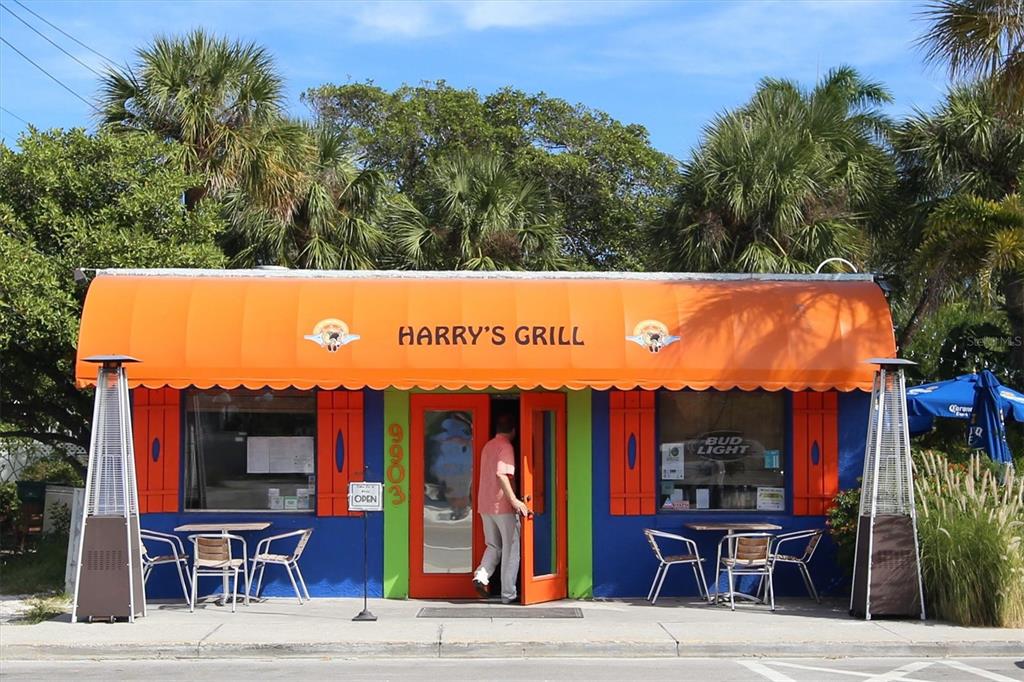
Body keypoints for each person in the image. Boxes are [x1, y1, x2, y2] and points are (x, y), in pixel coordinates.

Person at [472, 413, 529, 604]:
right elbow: (502, 474)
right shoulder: (506, 447)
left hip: (484, 504)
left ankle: (481, 576)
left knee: (493, 546)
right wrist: (514, 501)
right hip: (502, 506)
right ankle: (508, 594)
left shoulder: (488, 446)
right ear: (513, 431)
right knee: (511, 550)